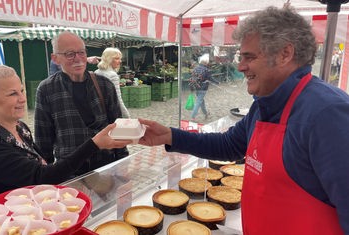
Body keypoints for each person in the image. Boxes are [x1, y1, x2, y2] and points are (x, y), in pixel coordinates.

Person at [138, 6, 348, 234]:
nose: (240, 66)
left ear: (285, 54)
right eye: (240, 57)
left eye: (249, 57)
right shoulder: (264, 104)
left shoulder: (327, 113)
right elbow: (229, 145)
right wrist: (170, 136)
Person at [0, 64, 131, 203]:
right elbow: (43, 177)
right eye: (12, 93)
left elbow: (41, 164)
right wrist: (94, 144)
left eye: (22, 90)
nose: (23, 98)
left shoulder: (19, 127)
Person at [34, 31, 129, 178]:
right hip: (70, 172)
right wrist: (48, 177)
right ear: (55, 58)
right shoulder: (47, 89)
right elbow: (43, 140)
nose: (78, 58)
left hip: (106, 167)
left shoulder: (104, 84)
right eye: (70, 54)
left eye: (81, 52)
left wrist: (122, 165)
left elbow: (118, 127)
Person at [95, 47, 130, 118]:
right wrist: (127, 116)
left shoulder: (96, 72)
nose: (120, 61)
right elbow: (118, 99)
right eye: (116, 58)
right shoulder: (112, 75)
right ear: (109, 59)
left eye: (120, 59)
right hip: (110, 112)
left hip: (98, 111)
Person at [188, 53, 211, 121]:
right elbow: (210, 78)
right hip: (203, 88)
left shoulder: (195, 68)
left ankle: (206, 113)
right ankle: (193, 116)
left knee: (201, 101)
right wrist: (217, 82)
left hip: (196, 86)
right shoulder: (206, 70)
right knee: (198, 101)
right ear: (206, 62)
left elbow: (192, 77)